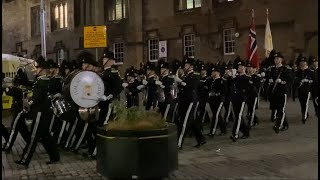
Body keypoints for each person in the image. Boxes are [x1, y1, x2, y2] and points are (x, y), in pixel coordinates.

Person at [15, 57, 60, 167]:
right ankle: (55, 157)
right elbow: (31, 84)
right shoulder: (40, 80)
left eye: (38, 67)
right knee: (45, 136)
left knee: (33, 137)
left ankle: (25, 160)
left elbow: (37, 97)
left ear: (43, 69)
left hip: (40, 112)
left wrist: (28, 104)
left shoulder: (44, 81)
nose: (36, 69)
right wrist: (21, 79)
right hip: (41, 112)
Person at [175, 57, 206, 149]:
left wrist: (180, 81)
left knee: (184, 122)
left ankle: (178, 143)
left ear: (191, 66)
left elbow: (191, 86)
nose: (184, 66)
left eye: (186, 65)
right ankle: (201, 139)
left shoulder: (195, 75)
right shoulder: (186, 76)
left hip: (191, 100)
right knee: (191, 121)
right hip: (184, 100)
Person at [267, 52, 290, 134]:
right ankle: (285, 124)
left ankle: (278, 126)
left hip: (282, 91)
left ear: (281, 60)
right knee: (277, 108)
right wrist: (269, 80)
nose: (276, 60)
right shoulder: (271, 69)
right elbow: (268, 77)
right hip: (274, 92)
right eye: (275, 58)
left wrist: (282, 81)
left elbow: (289, 80)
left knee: (281, 109)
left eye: (277, 58)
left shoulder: (285, 69)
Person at [230, 60, 251, 142]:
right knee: (238, 116)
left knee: (238, 116)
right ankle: (246, 131)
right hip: (235, 98)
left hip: (242, 99)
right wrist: (229, 77)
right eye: (238, 67)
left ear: (245, 68)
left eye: (241, 66)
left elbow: (244, 86)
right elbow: (231, 84)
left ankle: (235, 134)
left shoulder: (247, 77)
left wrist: (234, 77)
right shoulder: (237, 77)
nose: (239, 68)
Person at [206, 65, 226, 137]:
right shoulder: (211, 80)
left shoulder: (221, 81)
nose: (212, 73)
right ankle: (223, 129)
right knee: (217, 115)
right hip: (212, 100)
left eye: (214, 71)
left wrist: (215, 94)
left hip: (219, 100)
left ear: (217, 72)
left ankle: (212, 131)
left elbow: (223, 91)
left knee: (216, 115)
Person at [294, 57, 315, 124]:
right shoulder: (297, 71)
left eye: (304, 62)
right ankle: (305, 112)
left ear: (306, 63)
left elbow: (314, 80)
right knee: (302, 103)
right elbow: (295, 80)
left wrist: (308, 81)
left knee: (305, 103)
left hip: (307, 89)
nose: (302, 63)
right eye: (301, 62)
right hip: (300, 89)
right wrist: (298, 82)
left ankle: (304, 116)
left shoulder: (310, 71)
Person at [246, 62, 261, 127]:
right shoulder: (246, 76)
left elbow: (257, 86)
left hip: (254, 95)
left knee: (252, 109)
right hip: (247, 95)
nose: (249, 69)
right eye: (248, 68)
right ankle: (255, 120)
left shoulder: (256, 77)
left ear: (253, 69)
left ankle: (251, 122)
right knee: (249, 109)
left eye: (250, 68)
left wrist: (251, 83)